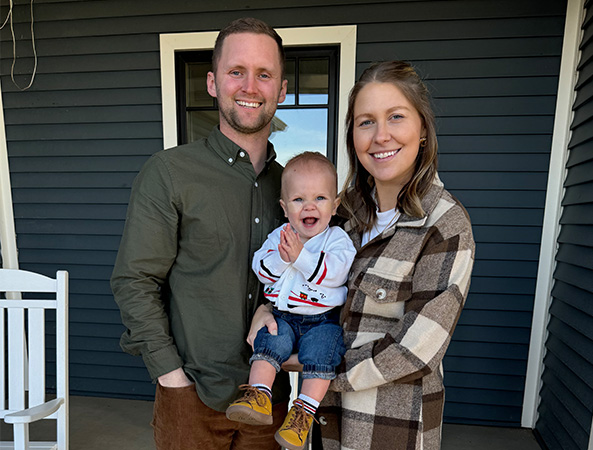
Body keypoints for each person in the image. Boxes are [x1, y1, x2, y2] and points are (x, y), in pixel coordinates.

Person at [249, 60, 476, 450]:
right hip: (318, 423)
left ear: (422, 130)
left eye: (396, 117)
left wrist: (316, 364)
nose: (380, 135)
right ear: (352, 135)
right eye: (365, 121)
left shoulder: (445, 225)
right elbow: (304, 280)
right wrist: (268, 310)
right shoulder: (342, 211)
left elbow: (415, 349)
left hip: (388, 428)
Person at [110, 17, 292, 450]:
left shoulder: (294, 192)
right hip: (191, 400)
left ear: (281, 90)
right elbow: (135, 280)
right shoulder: (170, 173)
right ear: (213, 82)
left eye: (264, 74)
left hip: (271, 399)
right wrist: (170, 377)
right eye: (236, 72)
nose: (251, 86)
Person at [226, 152, 356, 450]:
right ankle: (258, 394)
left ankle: (303, 413)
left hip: (323, 320)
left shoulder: (336, 239)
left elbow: (336, 273)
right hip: (283, 317)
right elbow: (260, 267)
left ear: (335, 205)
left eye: (320, 198)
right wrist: (285, 259)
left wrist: (301, 257)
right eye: (298, 200)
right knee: (268, 341)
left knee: (323, 354)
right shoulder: (279, 236)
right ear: (285, 208)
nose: (309, 206)